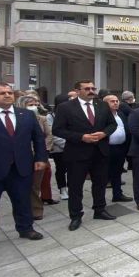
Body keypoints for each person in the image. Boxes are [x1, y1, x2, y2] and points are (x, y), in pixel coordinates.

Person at [0, 83, 48, 247]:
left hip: (21, 168)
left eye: (9, 92)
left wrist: (41, 158)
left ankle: (26, 228)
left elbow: (38, 139)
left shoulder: (26, 115)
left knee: (22, 200)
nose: (7, 95)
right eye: (2, 93)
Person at [52, 80, 117, 231]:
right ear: (77, 90)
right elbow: (58, 130)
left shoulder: (101, 104)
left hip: (100, 151)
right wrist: (81, 137)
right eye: (87, 88)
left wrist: (104, 133)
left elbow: (112, 124)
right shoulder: (65, 107)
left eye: (93, 88)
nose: (91, 91)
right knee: (75, 186)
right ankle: (75, 216)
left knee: (100, 183)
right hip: (77, 153)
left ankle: (99, 210)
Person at [16, 95, 58, 222]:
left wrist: (42, 151)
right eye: (30, 104)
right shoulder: (16, 119)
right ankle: (22, 209)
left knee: (35, 184)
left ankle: (36, 210)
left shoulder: (42, 119)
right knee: (23, 184)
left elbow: (49, 136)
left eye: (36, 104)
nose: (34, 106)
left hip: (39, 156)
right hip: (22, 156)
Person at [102, 95, 133, 202]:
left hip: (121, 148)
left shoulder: (120, 114)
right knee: (104, 174)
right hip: (107, 149)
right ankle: (100, 200)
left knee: (117, 172)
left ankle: (117, 194)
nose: (115, 103)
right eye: (112, 101)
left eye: (117, 101)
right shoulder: (101, 116)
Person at [48, 93, 70, 200]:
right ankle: (62, 189)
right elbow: (52, 133)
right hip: (59, 148)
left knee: (72, 169)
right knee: (61, 169)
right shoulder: (50, 116)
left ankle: (71, 187)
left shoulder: (71, 113)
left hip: (72, 146)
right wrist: (66, 144)